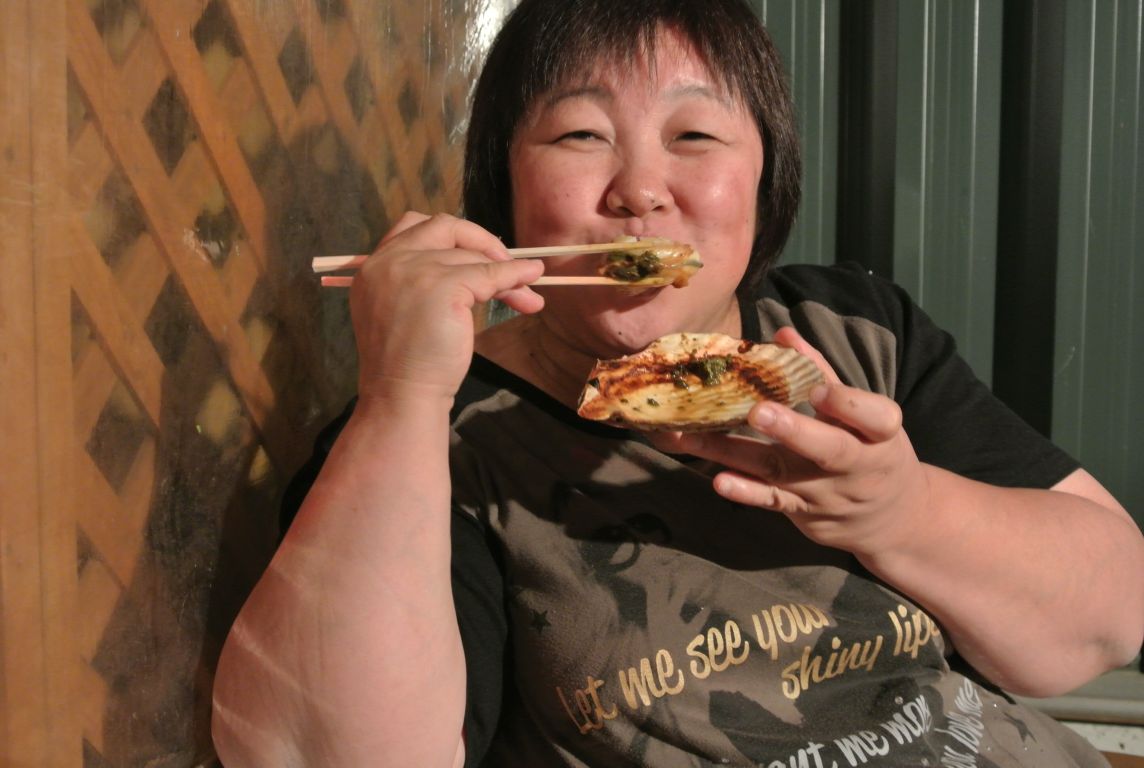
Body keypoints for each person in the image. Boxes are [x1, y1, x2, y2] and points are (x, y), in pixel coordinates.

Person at [211, 0, 1144, 765]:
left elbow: (1106, 624)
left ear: (766, 177)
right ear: (505, 184)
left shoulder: (849, 333)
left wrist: (903, 514)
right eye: (580, 133)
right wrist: (401, 400)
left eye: (695, 133)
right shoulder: (440, 437)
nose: (641, 190)